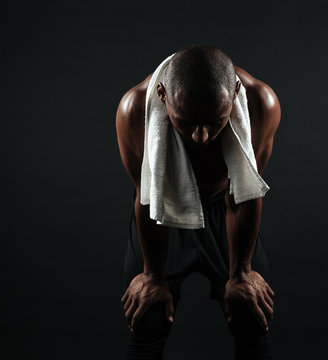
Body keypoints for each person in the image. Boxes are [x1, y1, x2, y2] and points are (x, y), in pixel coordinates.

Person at [115, 45, 281, 359]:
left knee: (251, 314)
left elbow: (243, 193)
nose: (201, 137)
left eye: (215, 122)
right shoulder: (134, 109)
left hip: (227, 210)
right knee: (147, 317)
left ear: (234, 95)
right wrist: (152, 275)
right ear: (162, 95)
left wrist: (242, 272)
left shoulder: (261, 103)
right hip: (161, 210)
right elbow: (145, 193)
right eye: (188, 123)